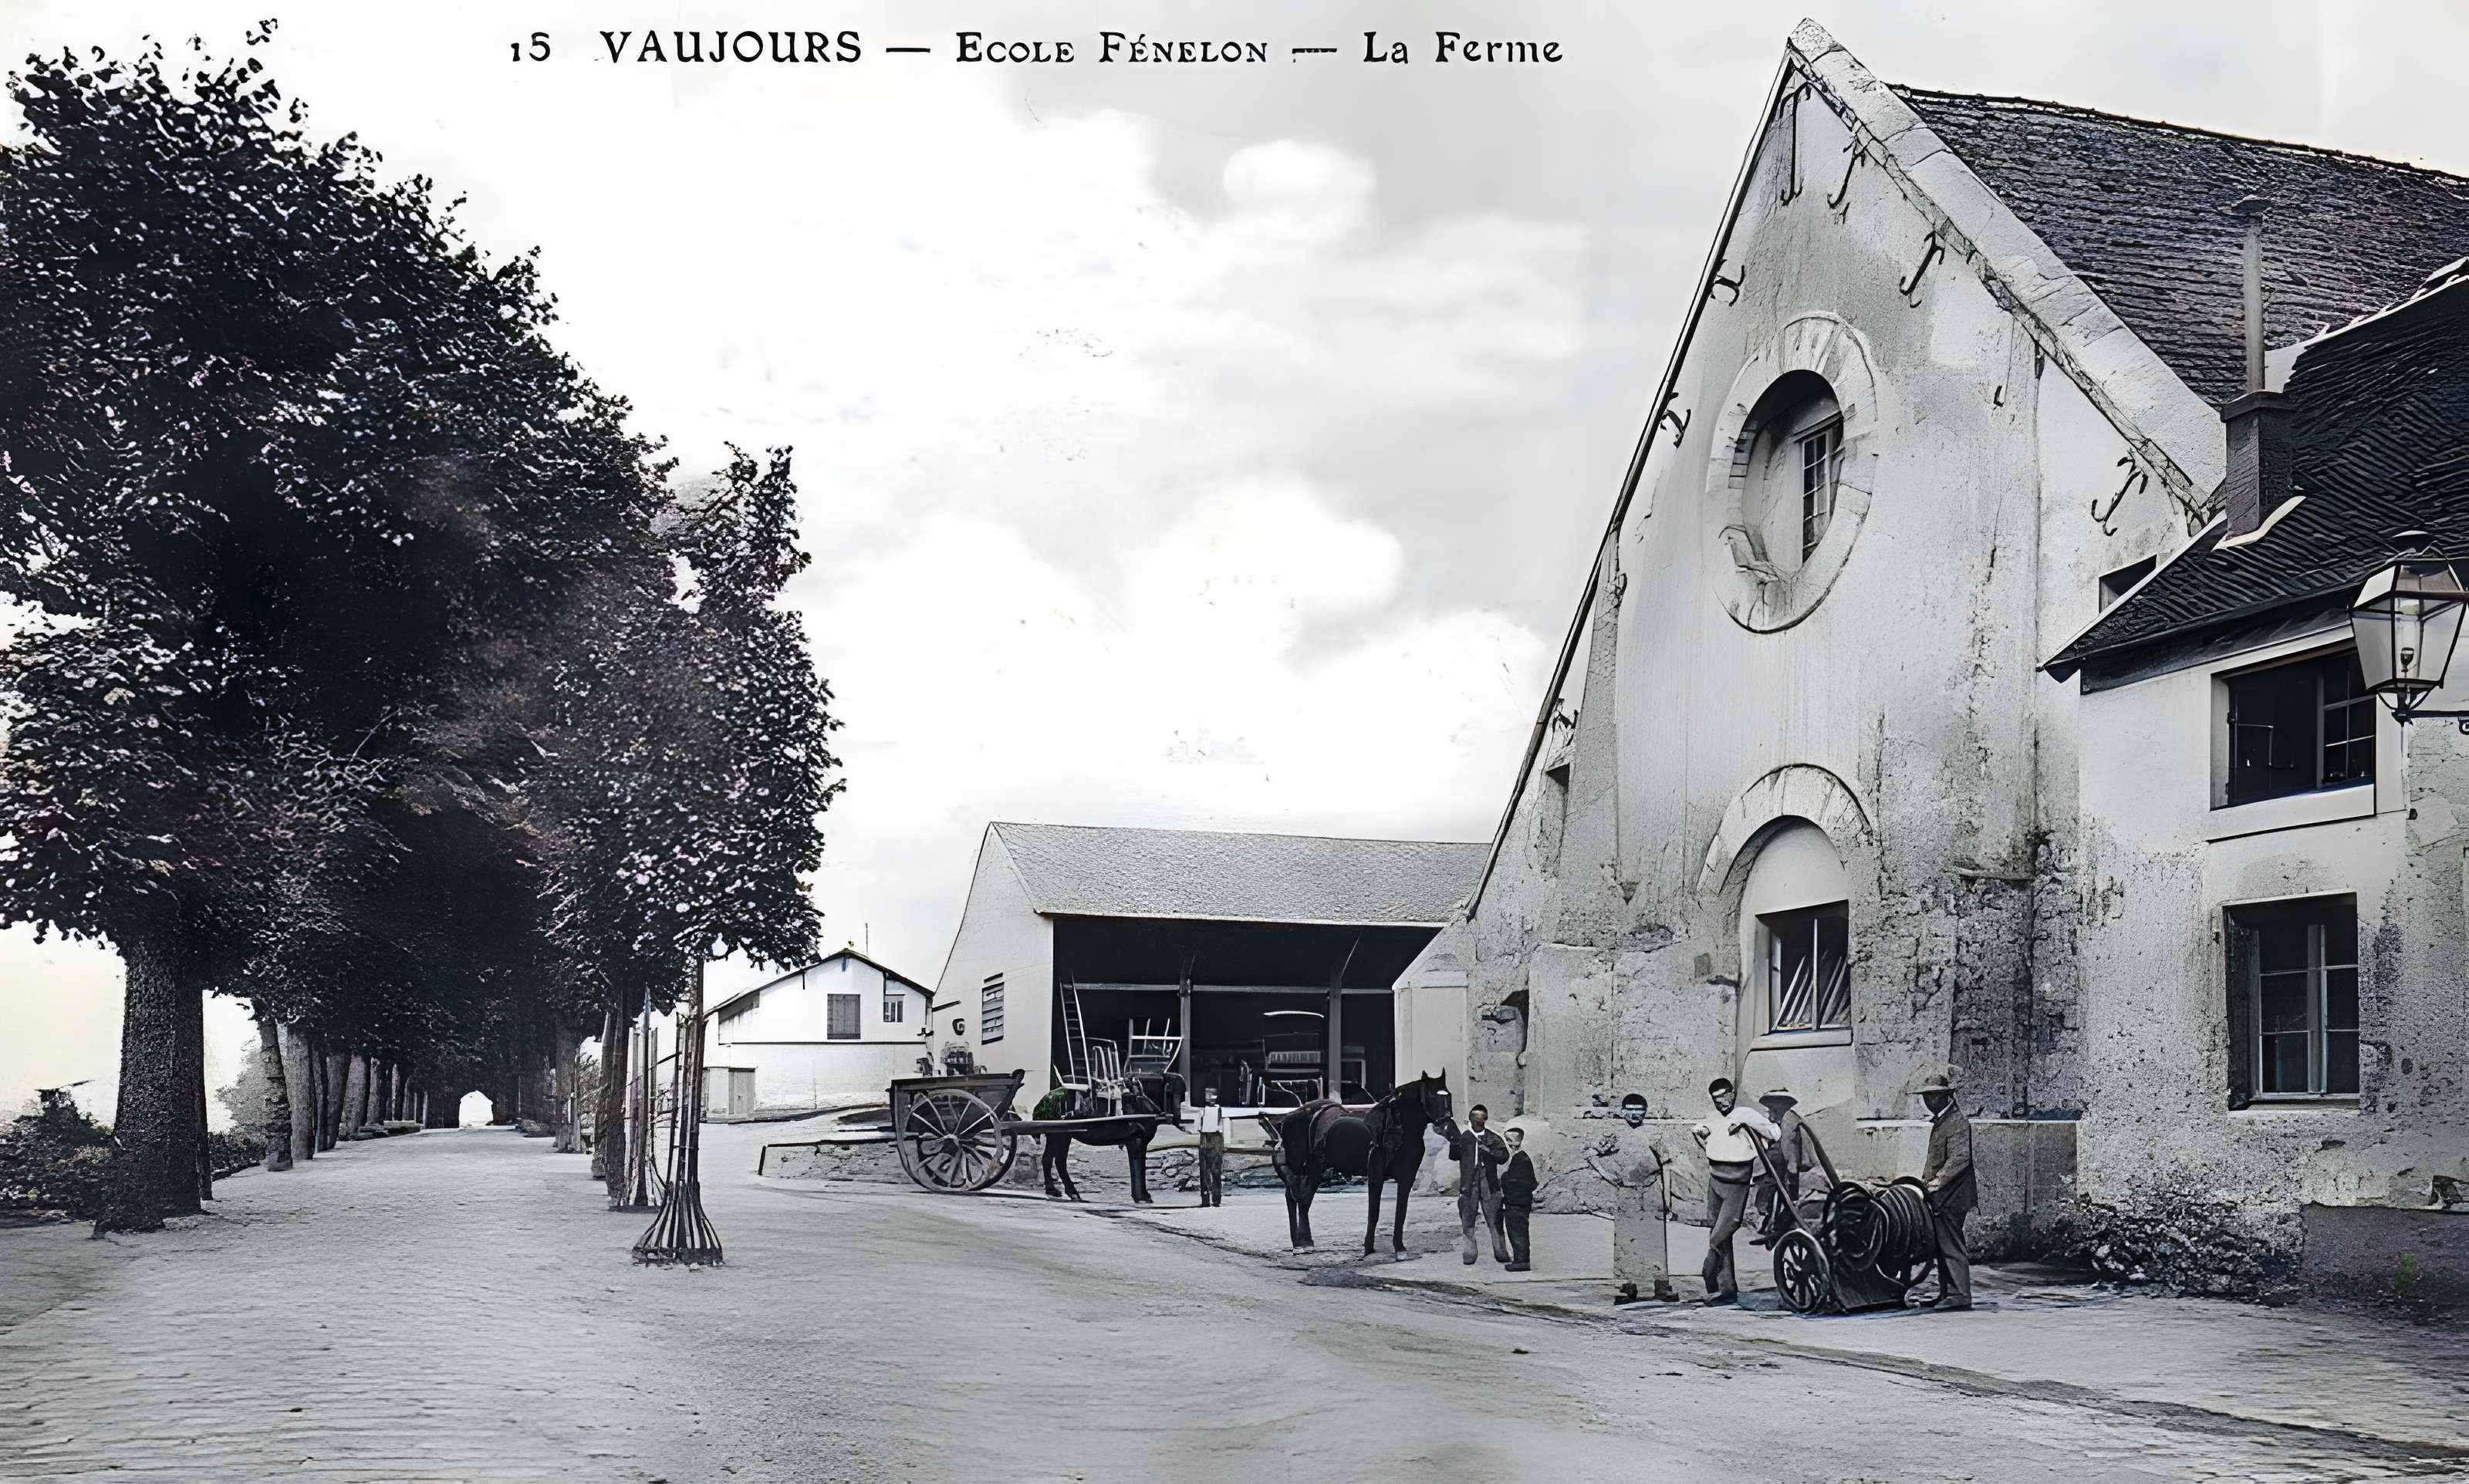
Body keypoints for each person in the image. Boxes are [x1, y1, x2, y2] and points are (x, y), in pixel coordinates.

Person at [1690, 1076, 1779, 1305]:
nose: (1722, 1103)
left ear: (1733, 1094)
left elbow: (1774, 1133)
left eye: (1725, 1097)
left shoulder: (1746, 1114)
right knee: (1716, 1230)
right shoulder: (1712, 1117)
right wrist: (1701, 1135)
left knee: (1724, 1229)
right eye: (1717, 1099)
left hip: (1737, 1180)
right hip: (1715, 1177)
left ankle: (1709, 1272)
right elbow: (1702, 1135)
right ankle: (1726, 1288)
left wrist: (1747, 1126)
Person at [1917, 1071, 1976, 1311]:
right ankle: (1946, 1293)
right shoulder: (1943, 1120)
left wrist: (1934, 1184)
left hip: (1952, 1196)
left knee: (1951, 1245)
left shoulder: (1957, 1122)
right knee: (1943, 1245)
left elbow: (1960, 1159)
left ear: (1946, 1097)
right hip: (1941, 1196)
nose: (1928, 1101)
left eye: (1933, 1096)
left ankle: (1960, 1294)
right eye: (1926, 1096)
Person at [1445, 1103, 1509, 1264]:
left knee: (1495, 1219)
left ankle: (1501, 1253)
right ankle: (1469, 1254)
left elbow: (1504, 1156)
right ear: (1470, 1119)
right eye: (1475, 1119)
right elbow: (1454, 1156)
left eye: (1481, 1120)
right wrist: (1453, 1142)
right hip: (1469, 1183)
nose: (1478, 1122)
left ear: (1486, 1120)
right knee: (1467, 1220)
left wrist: (1489, 1151)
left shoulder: (1492, 1137)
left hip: (1489, 1182)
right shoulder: (1465, 1137)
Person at [1752, 1087, 1812, 1238]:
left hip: (1788, 1167)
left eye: (1778, 1107)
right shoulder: (1770, 1124)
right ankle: (1770, 1224)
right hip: (1773, 1169)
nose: (1774, 1112)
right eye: (1773, 1108)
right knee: (1770, 1193)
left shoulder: (1792, 1124)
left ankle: (1780, 1226)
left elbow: (1793, 1150)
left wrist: (1792, 1174)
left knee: (1787, 1197)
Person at [1499, 1125, 1537, 1272]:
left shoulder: (1521, 1159)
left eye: (1508, 1139)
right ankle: (1520, 1259)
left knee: (1517, 1231)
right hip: (1519, 1202)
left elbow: (1522, 1182)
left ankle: (1521, 1261)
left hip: (1517, 1203)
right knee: (1518, 1230)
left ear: (1515, 1142)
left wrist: (1504, 1179)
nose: (1507, 1142)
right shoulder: (1520, 1158)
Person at [1195, 1087, 1228, 1207]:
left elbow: (1223, 1125)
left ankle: (1216, 1199)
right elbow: (1198, 1126)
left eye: (1213, 1095)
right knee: (1205, 1172)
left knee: (1216, 1172)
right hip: (1205, 1138)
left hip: (1216, 1139)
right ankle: (1205, 1199)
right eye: (1208, 1095)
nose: (1211, 1098)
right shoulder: (1201, 1110)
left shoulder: (1220, 1110)